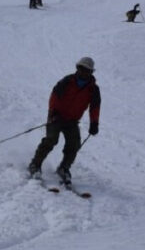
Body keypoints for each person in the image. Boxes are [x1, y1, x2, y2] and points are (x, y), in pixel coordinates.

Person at [27, 56, 101, 184]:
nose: (83, 72)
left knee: (74, 144)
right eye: (81, 68)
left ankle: (64, 168)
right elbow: (54, 97)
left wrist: (94, 123)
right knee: (51, 139)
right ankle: (35, 164)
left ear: (91, 72)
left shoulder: (93, 89)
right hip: (57, 116)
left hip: (72, 120)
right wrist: (53, 112)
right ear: (77, 68)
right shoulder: (67, 81)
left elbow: (95, 107)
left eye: (87, 70)